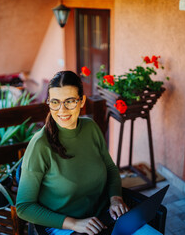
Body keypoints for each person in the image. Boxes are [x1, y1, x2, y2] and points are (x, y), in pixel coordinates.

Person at [16, 71, 129, 235]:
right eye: (55, 102)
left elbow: (110, 169)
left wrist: (115, 198)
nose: (62, 110)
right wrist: (74, 224)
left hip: (102, 218)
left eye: (69, 101)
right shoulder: (40, 145)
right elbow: (24, 207)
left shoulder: (90, 127)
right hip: (65, 226)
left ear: (82, 101)